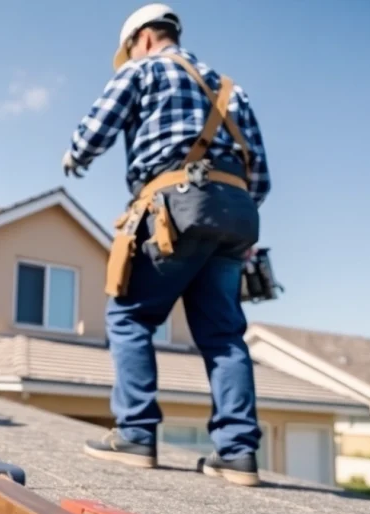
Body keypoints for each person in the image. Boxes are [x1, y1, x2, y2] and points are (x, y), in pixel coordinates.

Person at [61, 3, 272, 486]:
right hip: (234, 217)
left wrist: (74, 156)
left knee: (130, 315)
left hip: (174, 209)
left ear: (143, 38)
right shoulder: (230, 89)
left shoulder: (143, 69)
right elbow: (260, 177)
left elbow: (94, 132)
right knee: (223, 335)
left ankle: (135, 434)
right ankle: (237, 454)